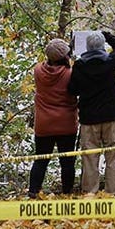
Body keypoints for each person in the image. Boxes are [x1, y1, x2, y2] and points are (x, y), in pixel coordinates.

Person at [67, 30, 115, 194]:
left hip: (89, 118)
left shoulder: (80, 66)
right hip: (112, 116)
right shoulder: (112, 62)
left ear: (86, 47)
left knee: (89, 157)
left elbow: (72, 90)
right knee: (113, 155)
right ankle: (112, 192)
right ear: (103, 46)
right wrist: (107, 35)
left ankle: (90, 193)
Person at [29, 38, 79, 198]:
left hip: (44, 124)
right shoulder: (70, 74)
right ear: (65, 57)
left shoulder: (38, 71)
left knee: (41, 160)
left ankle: (33, 192)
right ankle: (67, 193)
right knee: (67, 162)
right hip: (66, 124)